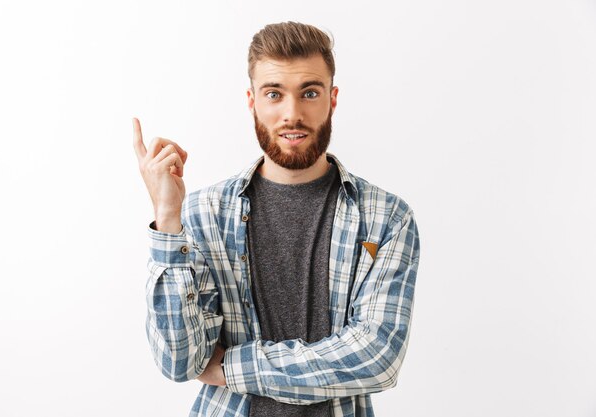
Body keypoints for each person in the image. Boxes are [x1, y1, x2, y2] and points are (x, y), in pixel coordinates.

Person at [132, 21, 420, 417]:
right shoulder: (200, 215)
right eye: (274, 94)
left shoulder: (386, 218)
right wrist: (167, 219)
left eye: (310, 93)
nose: (292, 114)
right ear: (252, 101)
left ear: (332, 99)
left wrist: (231, 368)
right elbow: (180, 363)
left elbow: (377, 357)